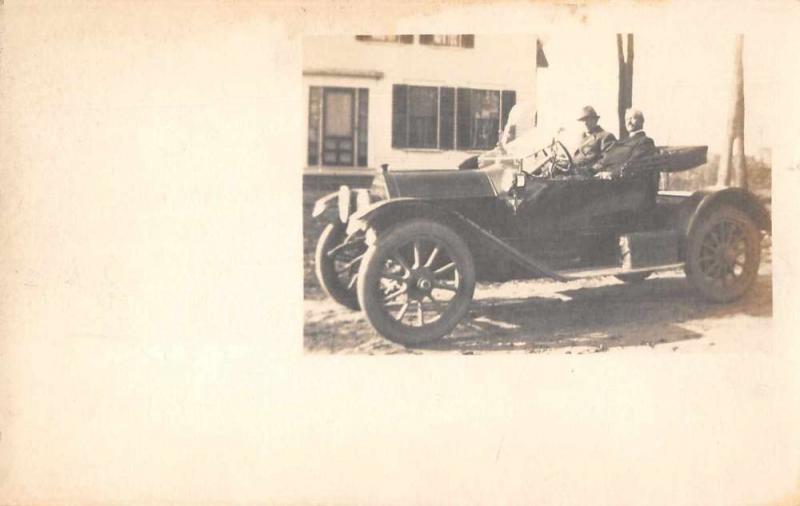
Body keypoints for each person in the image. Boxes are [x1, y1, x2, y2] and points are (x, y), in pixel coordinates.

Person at [590, 108, 656, 178]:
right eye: (627, 119)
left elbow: (634, 164)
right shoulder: (620, 142)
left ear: (641, 121)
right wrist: (590, 171)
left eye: (633, 118)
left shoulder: (645, 141)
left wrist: (612, 174)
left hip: (625, 182)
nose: (629, 122)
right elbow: (606, 159)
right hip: (606, 179)